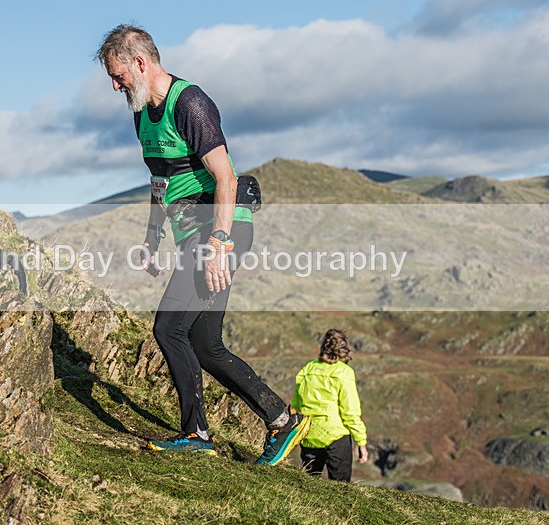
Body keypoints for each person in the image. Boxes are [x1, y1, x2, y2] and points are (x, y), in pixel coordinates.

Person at [96, 24, 310, 465]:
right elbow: (160, 180)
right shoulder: (140, 113)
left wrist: (218, 244)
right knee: (205, 342)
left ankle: (196, 433)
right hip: (193, 231)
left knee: (168, 328)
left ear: (140, 63)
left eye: (118, 75)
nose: (115, 85)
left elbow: (225, 178)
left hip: (220, 228)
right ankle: (280, 419)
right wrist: (152, 238)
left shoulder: (190, 103)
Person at [291, 329, 369, 481]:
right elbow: (350, 411)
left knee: (308, 482)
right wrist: (361, 442)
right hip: (336, 436)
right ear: (344, 348)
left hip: (309, 434)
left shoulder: (308, 369)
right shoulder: (344, 372)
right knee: (341, 487)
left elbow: (296, 404)